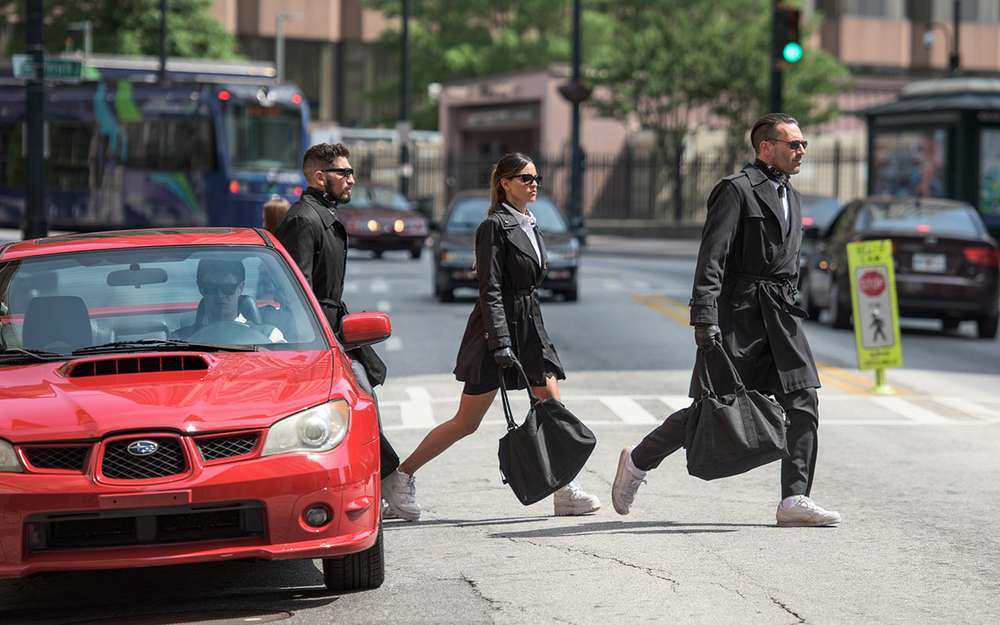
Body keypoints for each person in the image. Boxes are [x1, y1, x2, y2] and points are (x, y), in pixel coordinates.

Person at [611, 113, 841, 527]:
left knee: (803, 399)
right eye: (793, 144)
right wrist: (705, 316)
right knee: (714, 408)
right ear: (765, 147)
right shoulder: (736, 190)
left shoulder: (793, 196)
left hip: (781, 317)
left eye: (803, 144)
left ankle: (794, 498)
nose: (801, 151)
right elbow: (712, 257)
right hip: (739, 317)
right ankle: (638, 461)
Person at [381, 152, 601, 521]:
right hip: (498, 330)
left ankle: (563, 490)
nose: (534, 184)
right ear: (505, 183)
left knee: (551, 407)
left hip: (530, 327)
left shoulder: (530, 224)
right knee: (466, 422)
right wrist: (500, 343)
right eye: (526, 178)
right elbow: (490, 290)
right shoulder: (494, 227)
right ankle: (400, 477)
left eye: (536, 178)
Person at [274, 143, 400, 483]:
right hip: (316, 340)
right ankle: (387, 482)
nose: (351, 179)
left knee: (363, 394)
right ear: (320, 177)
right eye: (343, 173)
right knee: (357, 398)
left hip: (330, 331)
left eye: (351, 172)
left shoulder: (322, 215)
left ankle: (385, 482)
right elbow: (297, 292)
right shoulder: (304, 219)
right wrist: (313, 343)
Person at [173, 257, 285, 343]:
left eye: (228, 289)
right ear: (201, 288)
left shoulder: (271, 336)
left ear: (240, 288)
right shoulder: (179, 340)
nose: (220, 295)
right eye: (211, 289)